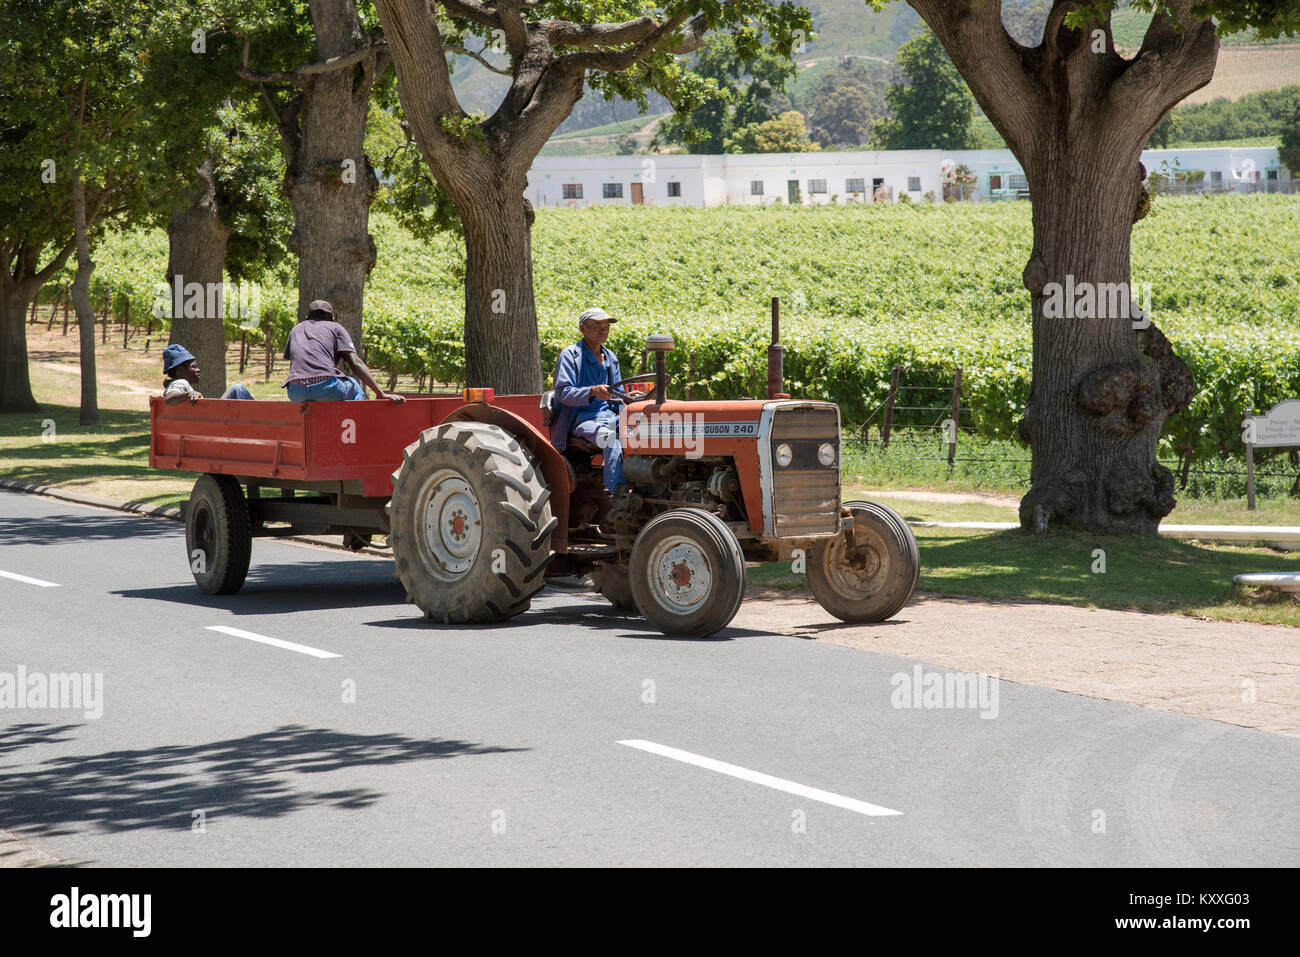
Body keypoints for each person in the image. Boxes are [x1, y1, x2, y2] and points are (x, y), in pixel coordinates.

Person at [550, 306, 626, 496]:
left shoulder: (611, 358)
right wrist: (592, 391)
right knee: (609, 439)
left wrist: (631, 401)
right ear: (582, 329)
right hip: (583, 420)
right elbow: (563, 393)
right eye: (597, 326)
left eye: (606, 326)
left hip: (609, 416)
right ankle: (617, 495)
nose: (603, 330)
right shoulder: (570, 355)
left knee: (642, 433)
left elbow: (618, 394)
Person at [282, 299, 404, 404]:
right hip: (325, 387)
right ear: (332, 318)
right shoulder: (335, 327)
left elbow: (295, 362)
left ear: (307, 317)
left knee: (320, 391)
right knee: (355, 386)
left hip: (295, 391)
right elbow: (355, 362)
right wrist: (380, 393)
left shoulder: (296, 329)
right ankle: (355, 424)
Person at [161, 344, 253, 404]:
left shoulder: (178, 383)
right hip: (213, 426)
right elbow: (169, 398)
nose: (198, 369)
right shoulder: (180, 383)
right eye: (194, 366)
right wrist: (189, 394)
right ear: (180, 371)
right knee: (237, 389)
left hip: (203, 425)